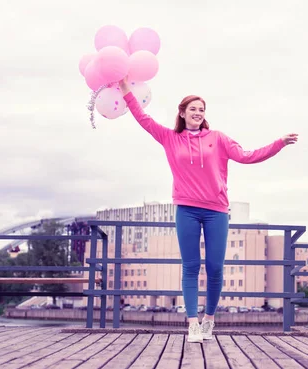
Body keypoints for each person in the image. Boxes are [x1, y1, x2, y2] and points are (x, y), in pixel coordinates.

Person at [118, 77, 298, 343]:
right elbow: (142, 118)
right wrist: (124, 89)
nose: (198, 113)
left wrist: (278, 143)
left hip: (216, 211)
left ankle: (209, 320)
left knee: (215, 267)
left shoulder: (218, 138)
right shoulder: (170, 138)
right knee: (190, 267)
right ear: (182, 113)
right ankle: (192, 324)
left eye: (202, 109)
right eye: (193, 109)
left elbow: (248, 156)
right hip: (186, 210)